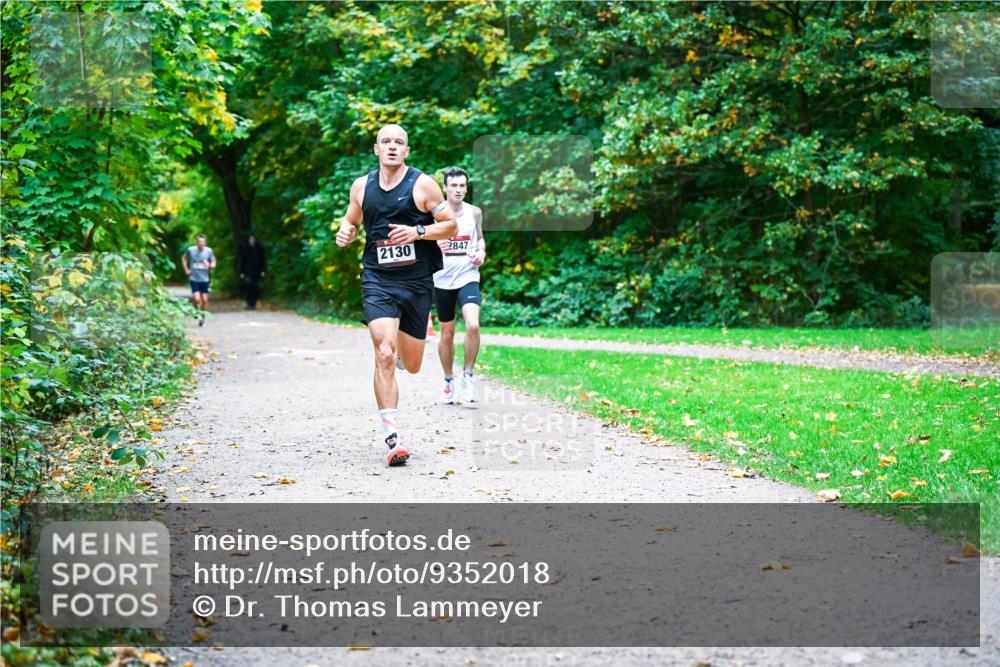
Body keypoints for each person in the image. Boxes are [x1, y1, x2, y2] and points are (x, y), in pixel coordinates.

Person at [335, 124, 457, 467]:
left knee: (413, 365)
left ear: (407, 151)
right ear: (376, 148)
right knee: (384, 354)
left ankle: (407, 346)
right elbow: (351, 221)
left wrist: (418, 231)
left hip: (417, 282)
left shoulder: (422, 185)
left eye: (398, 142)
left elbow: (450, 226)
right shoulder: (362, 186)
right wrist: (346, 232)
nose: (392, 147)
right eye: (386, 141)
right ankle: (392, 437)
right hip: (377, 278)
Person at [433, 167, 486, 404]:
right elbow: (421, 240)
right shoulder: (433, 214)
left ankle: (468, 376)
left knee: (473, 325)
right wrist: (435, 245)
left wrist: (481, 252)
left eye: (462, 186)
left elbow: (481, 238)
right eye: (453, 185)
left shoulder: (474, 212)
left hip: (468, 276)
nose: (458, 190)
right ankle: (448, 381)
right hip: (442, 280)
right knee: (447, 333)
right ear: (445, 187)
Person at [181, 234, 216, 327]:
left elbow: (213, 263)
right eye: (199, 242)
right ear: (197, 243)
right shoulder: (191, 250)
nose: (201, 244)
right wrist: (186, 269)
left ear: (205, 242)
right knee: (197, 299)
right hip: (194, 278)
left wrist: (209, 265)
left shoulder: (209, 251)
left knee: (205, 299)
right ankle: (196, 309)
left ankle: (202, 318)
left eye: (203, 242)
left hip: (205, 279)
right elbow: (183, 258)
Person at [238, 233, 267, 310]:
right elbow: (242, 261)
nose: (252, 240)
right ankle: (248, 303)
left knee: (255, 287)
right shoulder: (245, 248)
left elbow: (262, 260)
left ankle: (253, 303)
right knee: (248, 286)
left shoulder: (259, 248)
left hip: (257, 271)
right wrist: (241, 272)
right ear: (248, 240)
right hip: (247, 271)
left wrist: (263, 270)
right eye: (250, 239)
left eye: (253, 238)